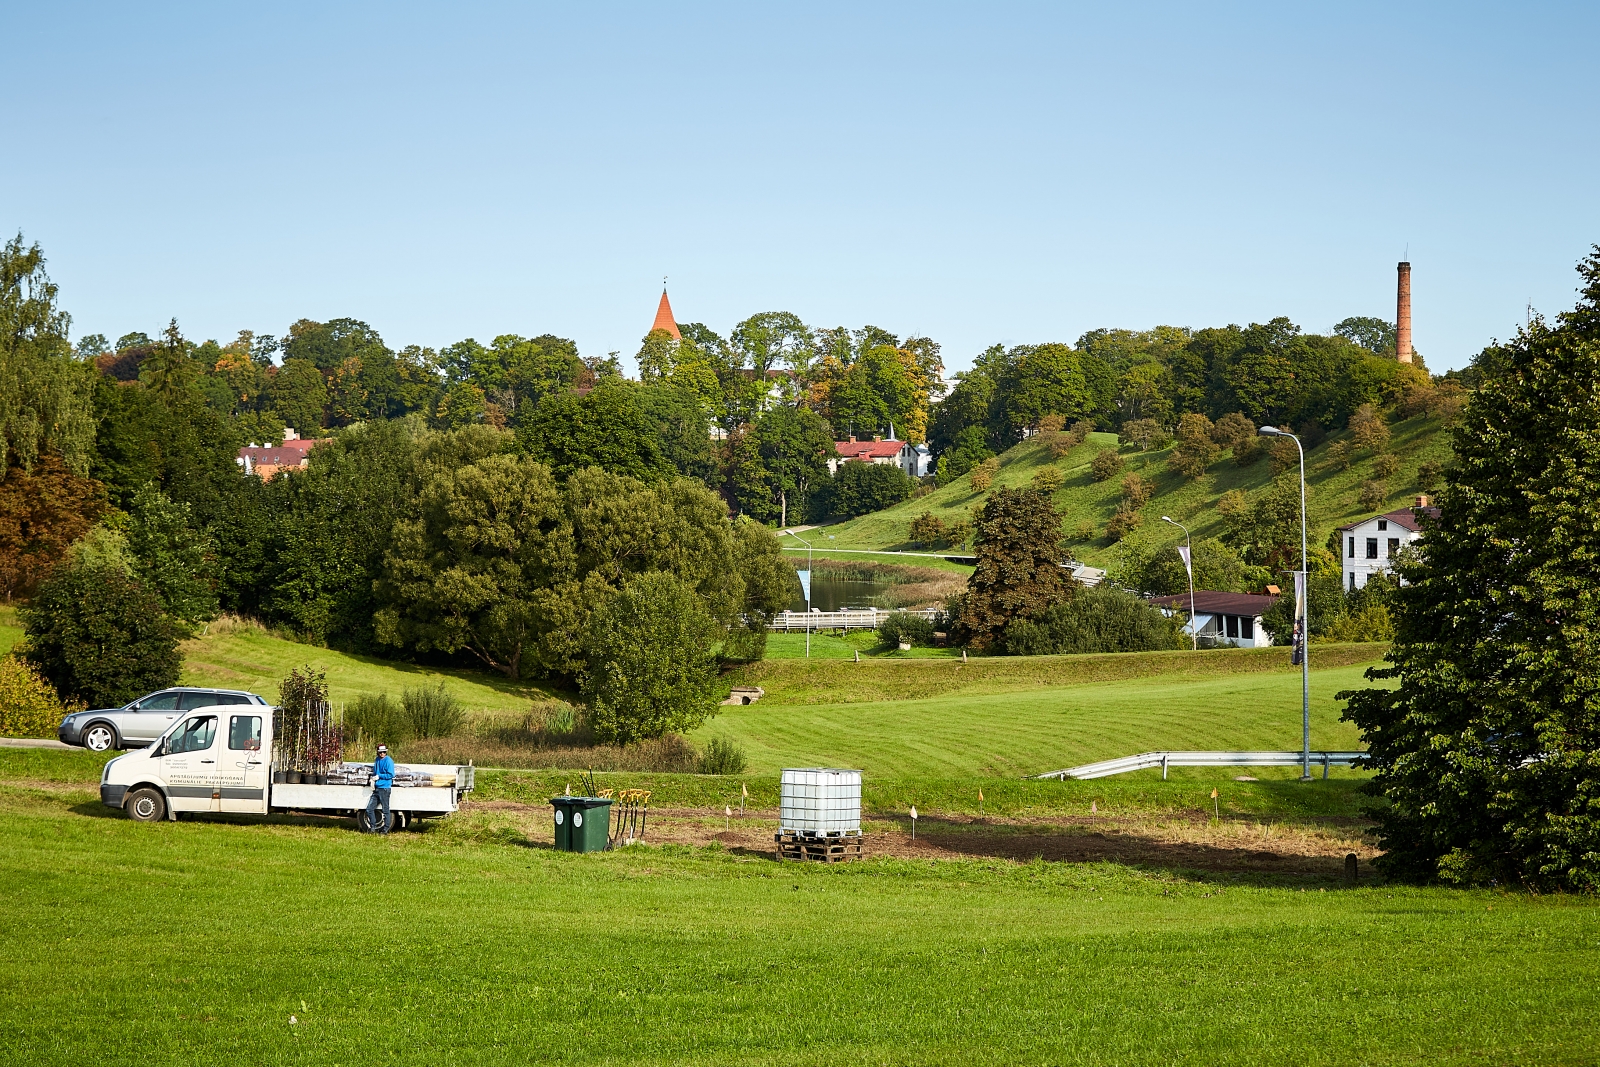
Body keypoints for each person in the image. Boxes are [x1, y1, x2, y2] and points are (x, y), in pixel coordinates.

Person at [366, 744, 395, 834]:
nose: (382, 754)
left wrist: (379, 776)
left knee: (385, 810)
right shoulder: (377, 760)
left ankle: (385, 829)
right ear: (377, 752)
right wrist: (373, 779)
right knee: (369, 809)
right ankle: (373, 827)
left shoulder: (389, 761)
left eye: (384, 752)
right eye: (380, 752)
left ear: (386, 752)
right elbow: (375, 772)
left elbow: (391, 775)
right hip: (377, 788)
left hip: (385, 788)